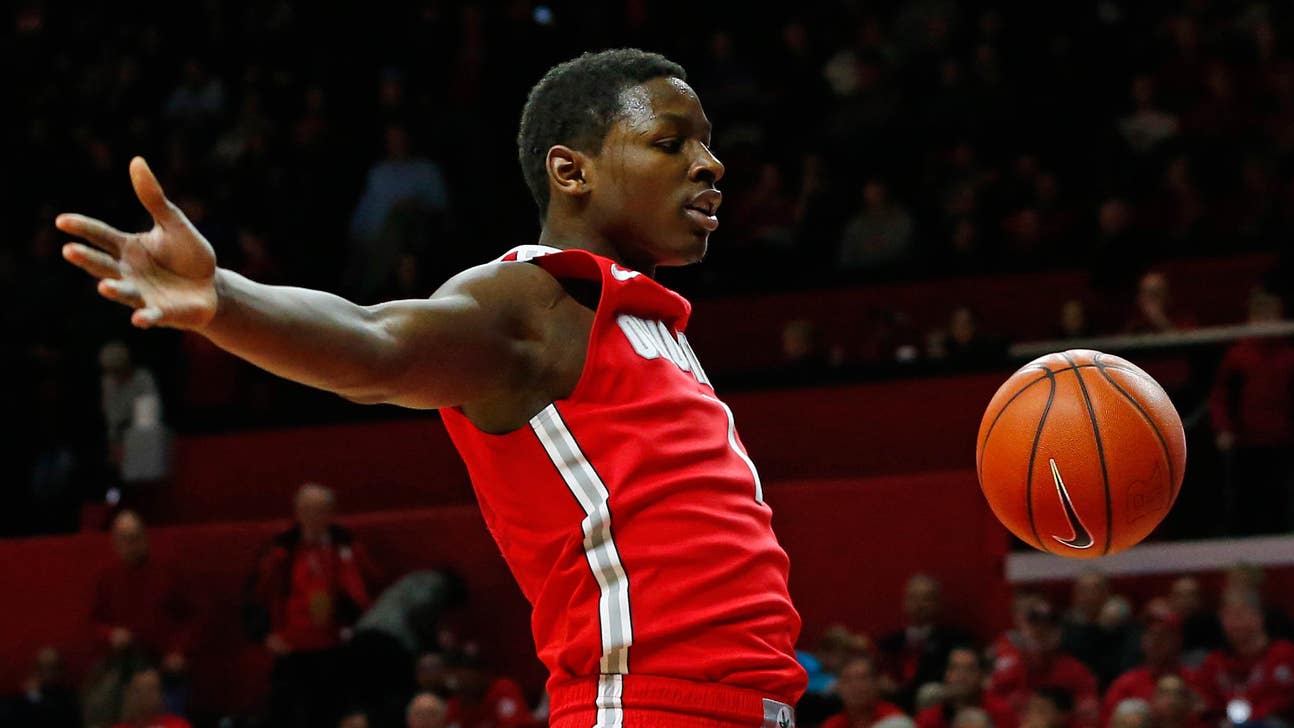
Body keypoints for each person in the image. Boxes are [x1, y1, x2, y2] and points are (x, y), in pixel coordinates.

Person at [59, 49, 807, 727]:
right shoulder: (536, 302)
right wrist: (225, 299)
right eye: (671, 143)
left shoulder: (645, 321)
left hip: (747, 707)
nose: (710, 164)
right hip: (648, 704)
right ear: (570, 171)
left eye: (707, 143)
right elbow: (375, 344)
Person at [250, 483, 377, 728]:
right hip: (290, 647)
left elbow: (368, 587)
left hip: (335, 647)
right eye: (307, 510)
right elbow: (256, 593)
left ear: (332, 513)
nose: (313, 517)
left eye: (320, 510)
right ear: (296, 513)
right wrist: (264, 633)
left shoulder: (347, 546)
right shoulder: (281, 549)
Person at [86, 510, 198, 727]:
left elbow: (194, 615)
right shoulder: (107, 578)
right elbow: (93, 622)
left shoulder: (167, 572)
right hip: (123, 666)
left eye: (136, 537)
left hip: (162, 665)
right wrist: (110, 634)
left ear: (145, 538)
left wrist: (179, 650)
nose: (131, 544)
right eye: (124, 539)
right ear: (115, 543)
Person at [1210, 288, 1294, 536]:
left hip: (1283, 444)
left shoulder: (1289, 357)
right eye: (1262, 316)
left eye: (1272, 316)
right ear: (1251, 318)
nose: (1267, 322)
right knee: (1245, 505)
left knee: (1280, 506)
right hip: (1245, 445)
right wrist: (1223, 428)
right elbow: (1220, 397)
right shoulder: (1237, 356)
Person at [988, 602, 1098, 727]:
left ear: (1059, 633)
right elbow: (988, 708)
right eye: (1035, 625)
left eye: (1048, 627)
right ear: (1022, 629)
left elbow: (1089, 720)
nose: (1040, 632)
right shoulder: (1007, 669)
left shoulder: (1076, 672)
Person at [1194, 589, 1294, 723]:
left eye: (1239, 615)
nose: (1233, 623)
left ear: (1258, 617)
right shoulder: (1214, 663)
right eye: (1226, 616)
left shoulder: (1285, 655)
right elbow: (1204, 703)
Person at [877, 574, 974, 711]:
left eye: (926, 599)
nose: (919, 604)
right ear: (905, 602)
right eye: (914, 598)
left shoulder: (955, 641)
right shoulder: (889, 644)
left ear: (938, 603)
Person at [1102, 601, 1199, 721]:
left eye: (1163, 635)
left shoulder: (1194, 681)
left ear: (1178, 640)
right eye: (1151, 634)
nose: (1155, 640)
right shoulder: (1125, 685)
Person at [914, 647, 1016, 728]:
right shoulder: (930, 717)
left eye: (969, 669)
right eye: (954, 668)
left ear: (982, 675)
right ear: (946, 674)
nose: (961, 676)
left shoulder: (1001, 712)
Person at [442, 650, 533, 728]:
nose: (466, 684)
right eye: (461, 680)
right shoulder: (458, 702)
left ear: (484, 675)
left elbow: (516, 725)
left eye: (469, 678)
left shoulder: (503, 688)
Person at [821, 656, 907, 728]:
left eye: (862, 678)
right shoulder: (833, 725)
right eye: (848, 680)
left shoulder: (896, 722)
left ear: (876, 683)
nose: (855, 686)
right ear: (838, 687)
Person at [111, 669, 191, 728]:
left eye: (152, 689)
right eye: (139, 690)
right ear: (129, 694)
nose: (146, 695)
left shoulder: (178, 725)